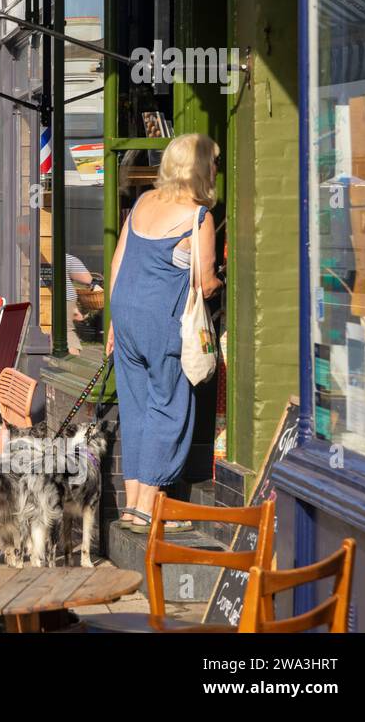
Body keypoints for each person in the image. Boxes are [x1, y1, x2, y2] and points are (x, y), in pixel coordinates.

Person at [107, 133, 222, 533]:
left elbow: (119, 262)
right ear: (201, 168)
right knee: (170, 407)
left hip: (126, 316)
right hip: (162, 321)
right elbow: (205, 284)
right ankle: (149, 508)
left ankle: (130, 506)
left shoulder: (142, 203)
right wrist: (223, 282)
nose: (216, 169)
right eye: (214, 163)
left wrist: (112, 324)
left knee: (137, 407)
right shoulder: (198, 216)